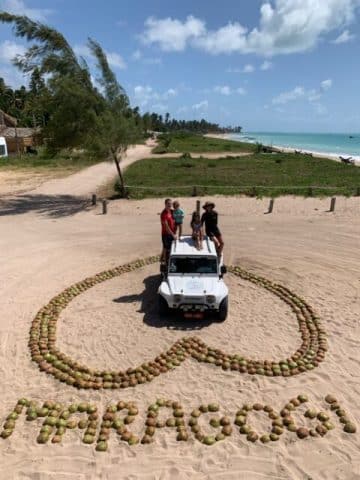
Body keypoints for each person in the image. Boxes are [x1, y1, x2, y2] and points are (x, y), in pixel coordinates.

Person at [160, 198, 176, 264]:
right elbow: (166, 227)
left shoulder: (171, 211)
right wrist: (173, 235)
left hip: (172, 233)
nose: (170, 205)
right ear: (165, 204)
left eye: (171, 204)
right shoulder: (163, 214)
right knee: (167, 249)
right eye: (168, 204)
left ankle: (162, 259)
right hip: (166, 234)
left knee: (166, 247)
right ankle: (166, 263)